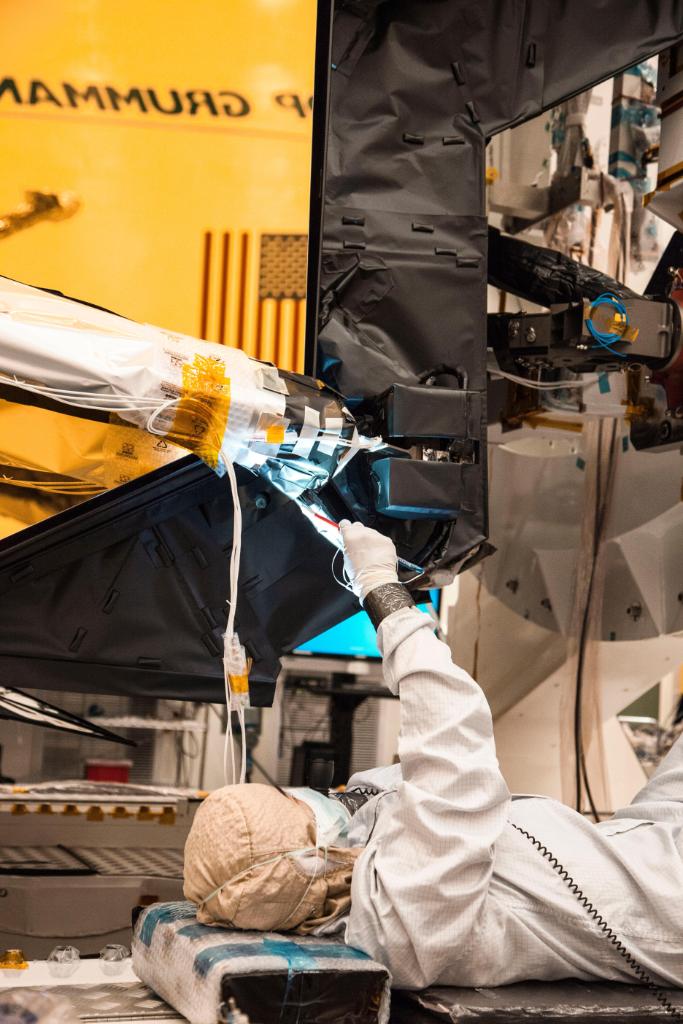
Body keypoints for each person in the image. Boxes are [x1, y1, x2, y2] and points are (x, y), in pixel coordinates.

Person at [184, 521, 683, 990]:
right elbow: (451, 729)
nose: (319, 800)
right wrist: (382, 592)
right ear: (304, 864)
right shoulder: (401, 917)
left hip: (647, 842)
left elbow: (414, 781)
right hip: (667, 900)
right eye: (303, 812)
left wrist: (408, 583)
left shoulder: (358, 873)